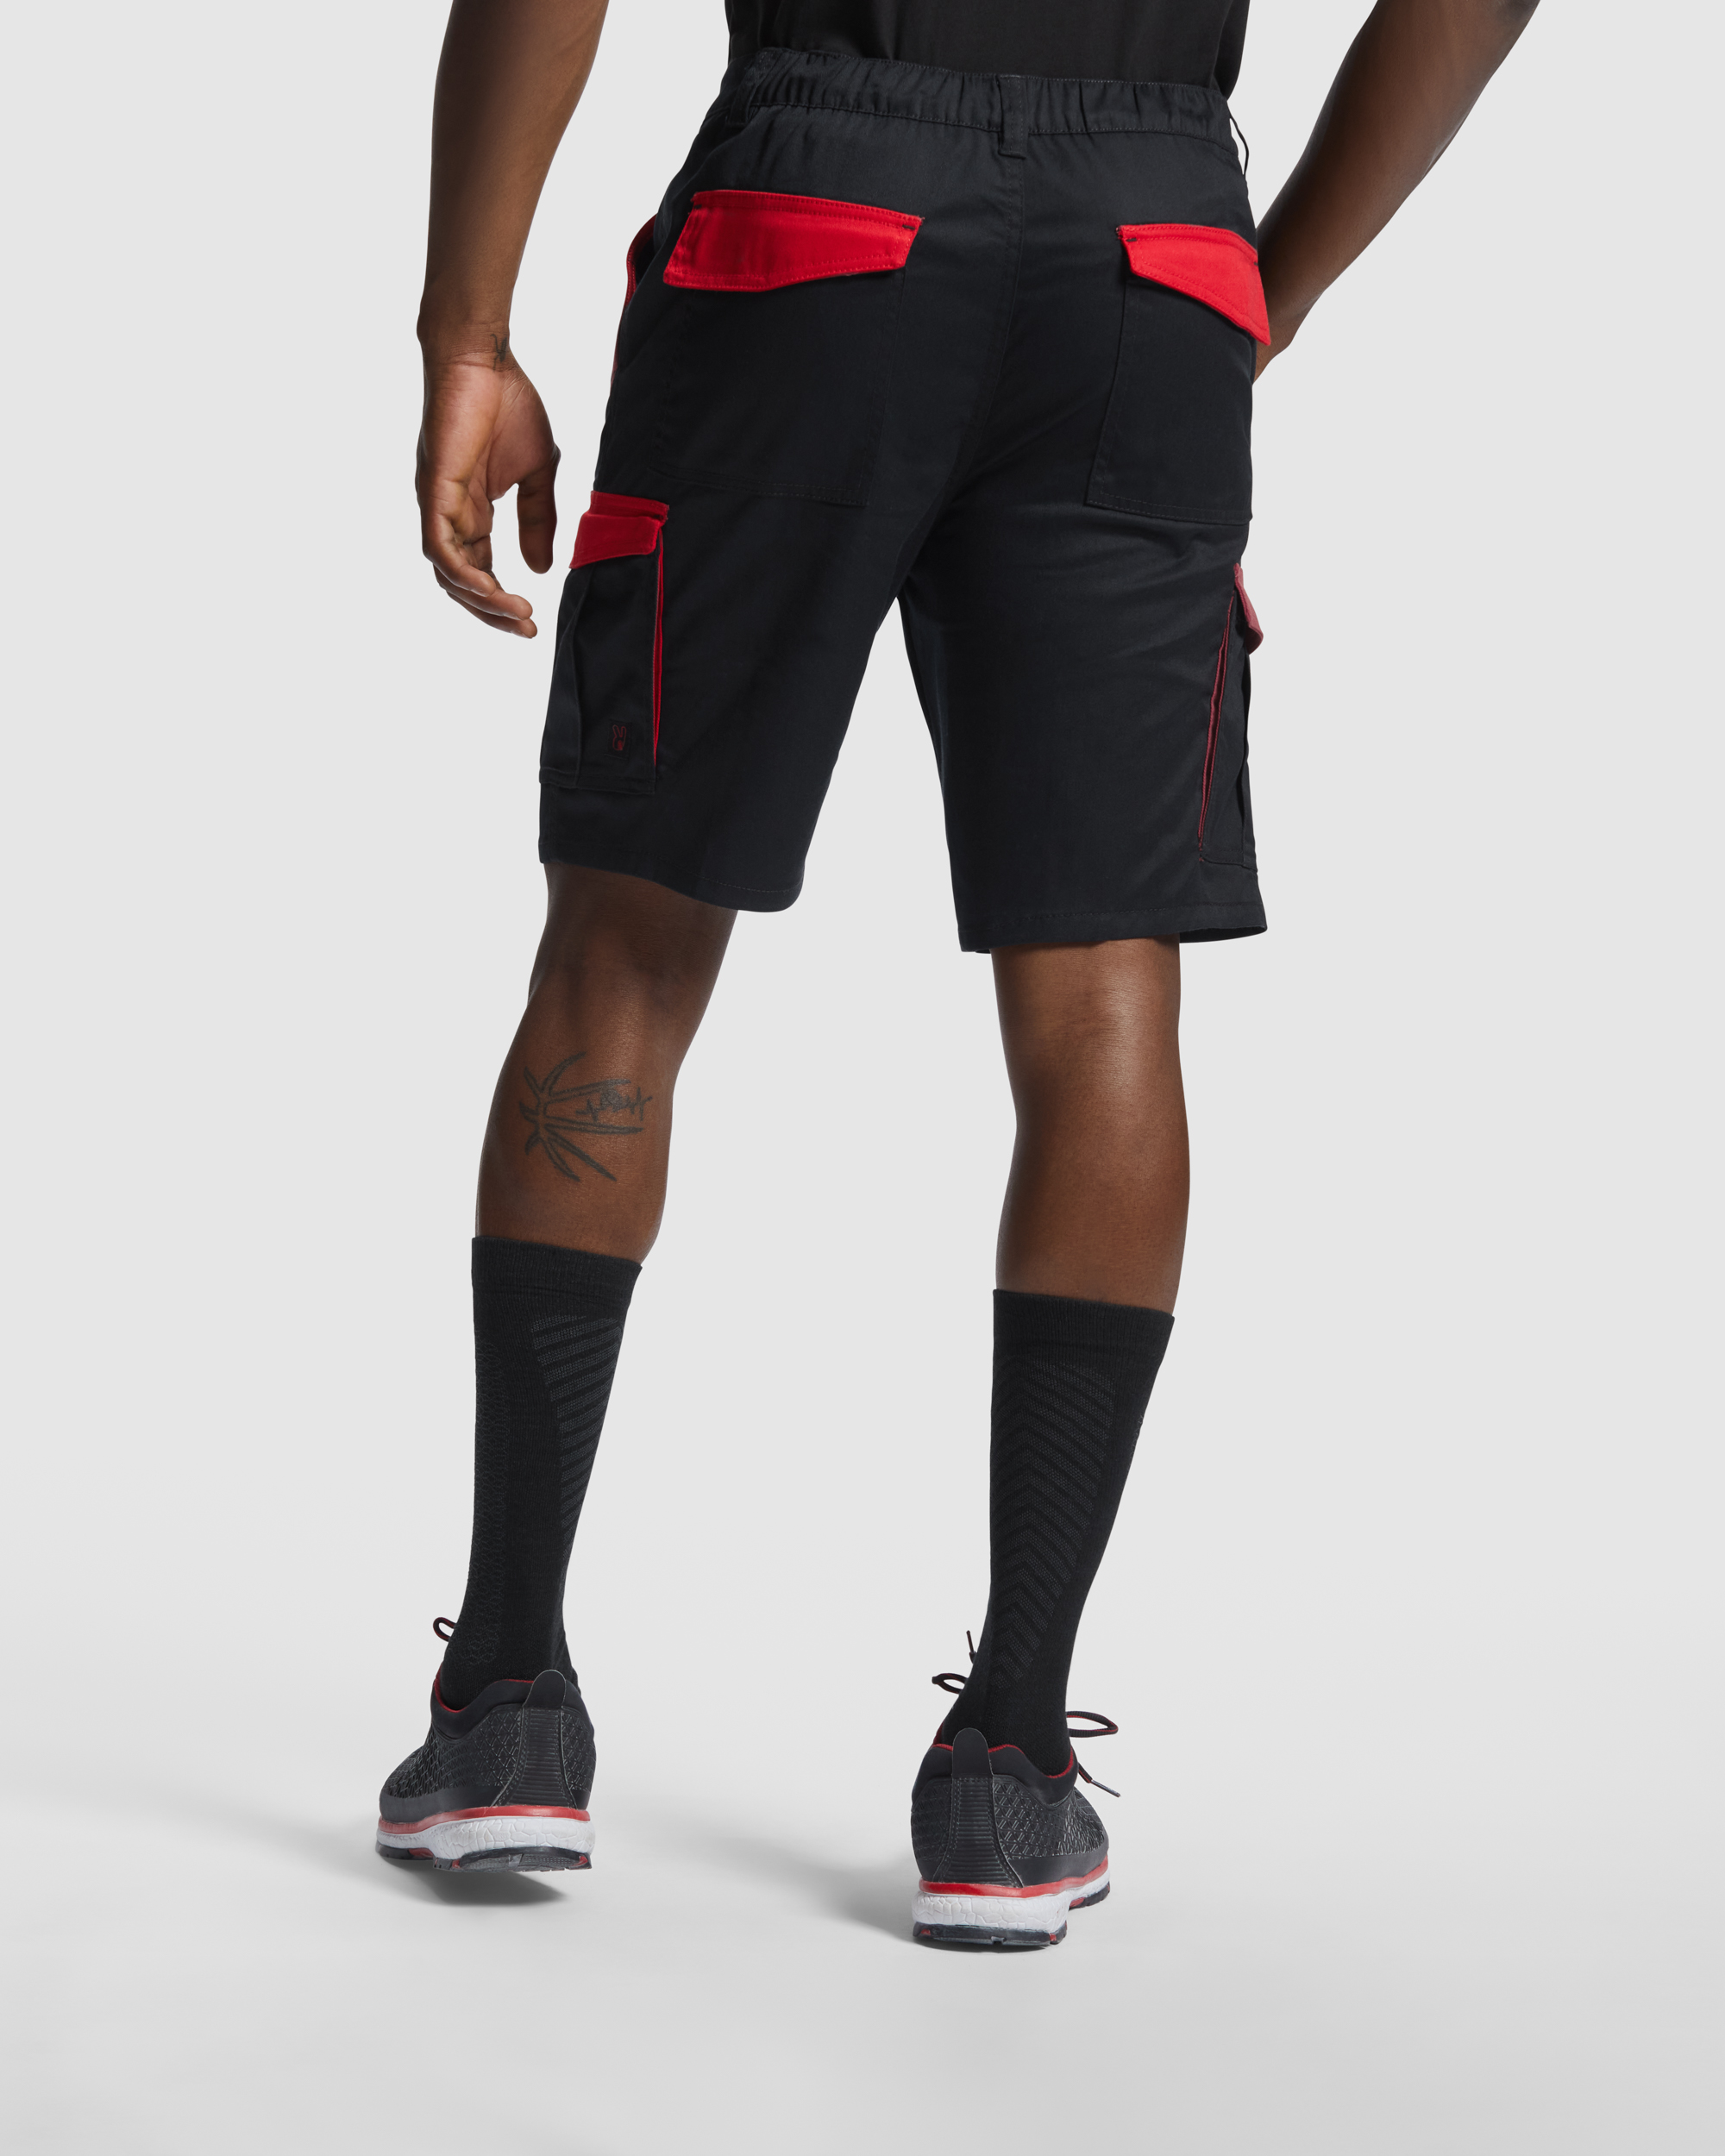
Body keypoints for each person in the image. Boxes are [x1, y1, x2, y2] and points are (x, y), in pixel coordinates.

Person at [376, 0, 1540, 1944]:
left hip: (815, 220)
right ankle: (1009, 1762)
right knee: (1103, 995)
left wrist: (466, 332)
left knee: (625, 955)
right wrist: (1258, 284)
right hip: (1152, 250)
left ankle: (504, 1704)